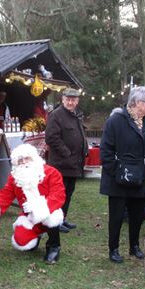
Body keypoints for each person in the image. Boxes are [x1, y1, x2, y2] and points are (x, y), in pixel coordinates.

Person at [99, 87, 145, 263]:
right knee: (117, 216)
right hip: (119, 179)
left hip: (143, 178)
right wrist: (116, 171)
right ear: (136, 102)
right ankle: (114, 249)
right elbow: (106, 151)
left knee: (137, 215)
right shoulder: (116, 120)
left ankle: (134, 246)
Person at [0, 143, 66, 264]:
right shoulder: (15, 178)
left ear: (34, 158)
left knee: (53, 218)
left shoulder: (51, 172)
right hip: (29, 215)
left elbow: (58, 195)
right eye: (20, 160)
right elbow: (4, 195)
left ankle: (53, 246)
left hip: (49, 210)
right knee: (21, 240)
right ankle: (35, 236)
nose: (24, 162)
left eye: (27, 158)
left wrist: (39, 208)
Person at [45, 88, 87, 233]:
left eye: (73, 100)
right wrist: (66, 153)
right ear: (62, 100)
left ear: (77, 101)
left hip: (74, 163)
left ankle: (62, 219)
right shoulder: (56, 115)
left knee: (68, 192)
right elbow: (51, 137)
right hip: (61, 164)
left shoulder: (75, 115)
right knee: (59, 194)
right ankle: (55, 222)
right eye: (68, 99)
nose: (70, 102)